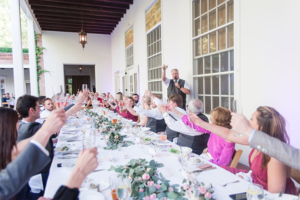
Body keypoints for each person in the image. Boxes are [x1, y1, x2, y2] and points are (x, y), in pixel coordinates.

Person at [189, 106, 297, 195]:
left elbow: (274, 195)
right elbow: (228, 134)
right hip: (254, 179)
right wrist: (201, 123)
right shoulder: (258, 141)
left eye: (251, 118)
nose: (247, 121)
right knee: (217, 171)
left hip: (264, 192)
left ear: (261, 128)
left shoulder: (275, 156)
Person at [0, 108, 66, 200]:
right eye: (16, 121)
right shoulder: (12, 151)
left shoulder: (9, 149)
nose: (18, 124)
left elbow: (35, 140)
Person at [230, 112, 300, 171]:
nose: (248, 122)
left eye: (251, 119)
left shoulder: (275, 158)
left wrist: (248, 130)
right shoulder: (257, 143)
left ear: (261, 127)